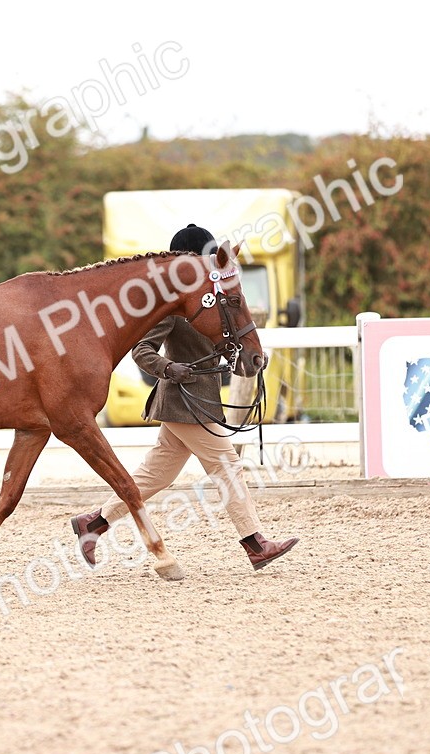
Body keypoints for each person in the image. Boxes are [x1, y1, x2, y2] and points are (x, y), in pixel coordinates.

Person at [70, 223, 300, 571]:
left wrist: (250, 362)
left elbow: (224, 352)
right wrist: (168, 368)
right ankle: (256, 544)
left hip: (201, 401)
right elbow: (142, 349)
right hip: (184, 402)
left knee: (154, 477)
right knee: (228, 467)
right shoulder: (174, 307)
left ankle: (94, 523)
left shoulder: (211, 299)